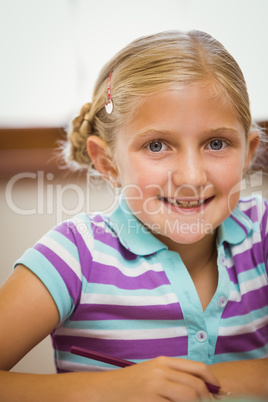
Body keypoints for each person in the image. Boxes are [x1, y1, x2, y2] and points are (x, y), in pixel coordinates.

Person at [0, 30, 267, 402]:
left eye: (216, 143)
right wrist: (111, 388)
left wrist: (199, 381)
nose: (191, 177)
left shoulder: (263, 235)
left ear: (248, 151)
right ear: (108, 163)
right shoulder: (76, 255)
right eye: (157, 145)